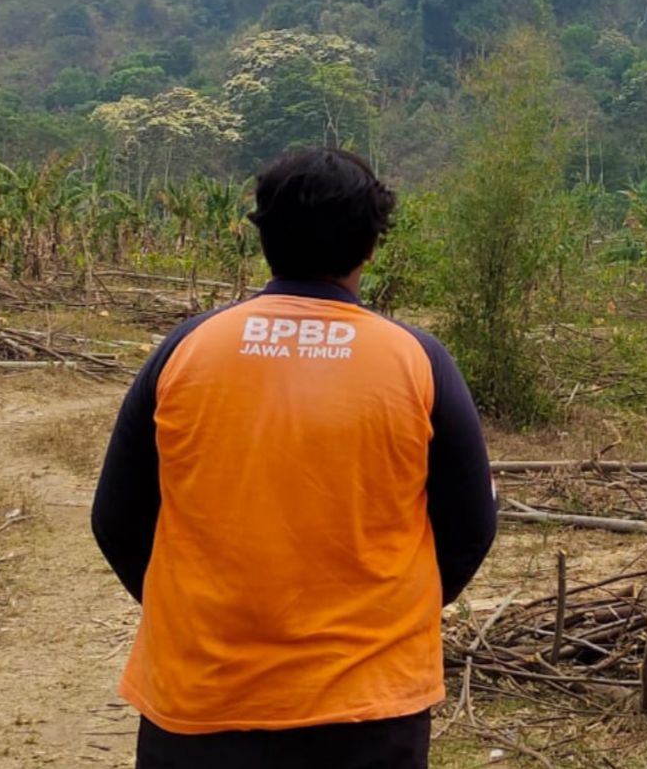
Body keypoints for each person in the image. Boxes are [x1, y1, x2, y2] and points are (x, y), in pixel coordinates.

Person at [91, 148, 498, 769]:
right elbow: (470, 528)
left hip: (202, 700)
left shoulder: (189, 349)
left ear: (264, 239)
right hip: (370, 708)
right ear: (369, 248)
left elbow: (117, 519)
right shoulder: (417, 361)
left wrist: (192, 618)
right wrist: (385, 623)